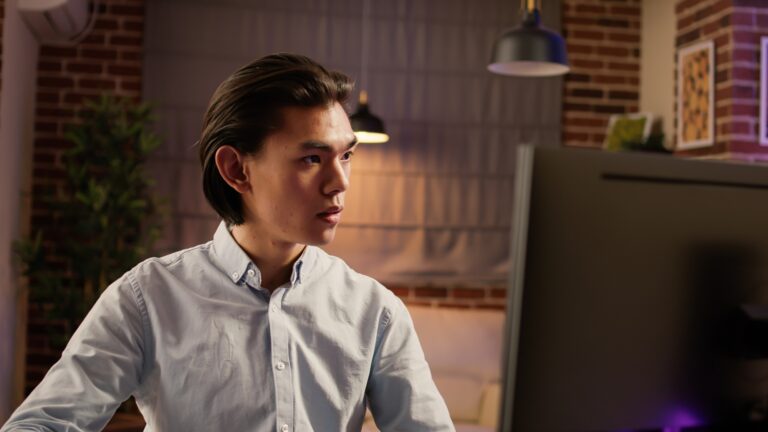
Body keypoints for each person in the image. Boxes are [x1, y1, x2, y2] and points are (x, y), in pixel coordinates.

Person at [1, 53, 454, 431]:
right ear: (237, 169)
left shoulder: (375, 312)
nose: (339, 183)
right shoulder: (147, 299)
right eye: (312, 158)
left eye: (347, 156)